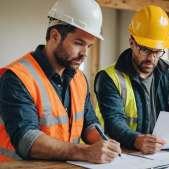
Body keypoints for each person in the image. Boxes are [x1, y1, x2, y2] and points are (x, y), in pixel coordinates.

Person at [0, 0, 121, 163]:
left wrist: (103, 141)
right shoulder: (16, 78)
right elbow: (26, 140)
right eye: (79, 43)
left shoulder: (79, 78)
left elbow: (89, 122)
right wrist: (85, 152)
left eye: (89, 46)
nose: (85, 53)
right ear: (55, 36)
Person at [94, 5, 169, 155]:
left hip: (164, 155)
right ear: (131, 43)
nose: (151, 58)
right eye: (145, 50)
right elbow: (114, 122)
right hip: (120, 156)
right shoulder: (109, 77)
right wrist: (137, 140)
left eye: (157, 51)